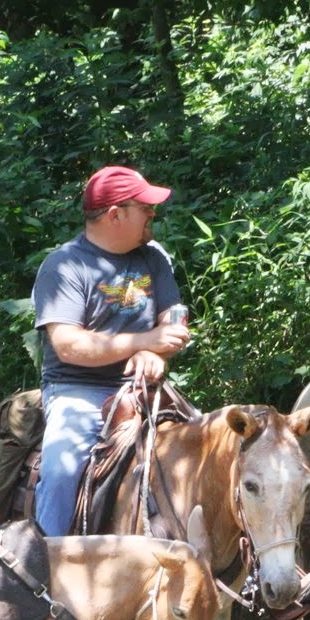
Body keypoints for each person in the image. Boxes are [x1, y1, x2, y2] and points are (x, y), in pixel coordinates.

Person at [30, 165, 191, 537]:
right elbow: (69, 346)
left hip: (147, 389)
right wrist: (143, 342)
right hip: (78, 392)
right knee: (61, 472)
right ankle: (43, 567)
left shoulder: (153, 256)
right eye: (145, 208)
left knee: (214, 448)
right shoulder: (64, 265)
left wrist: (157, 353)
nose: (153, 214)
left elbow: (175, 317)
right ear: (116, 214)